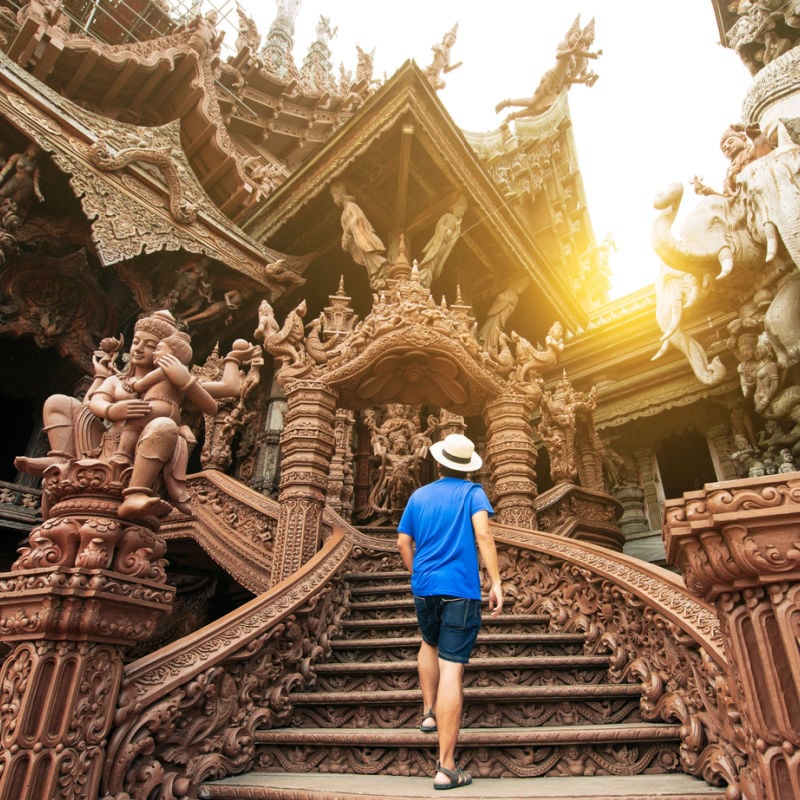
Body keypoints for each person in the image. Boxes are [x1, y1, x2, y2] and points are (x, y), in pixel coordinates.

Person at [396, 433, 503, 791]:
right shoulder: (472, 493)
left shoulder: (419, 495)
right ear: (467, 467)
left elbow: (402, 541)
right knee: (452, 670)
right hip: (459, 588)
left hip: (424, 587)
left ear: (438, 463)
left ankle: (428, 713)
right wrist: (496, 581)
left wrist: (416, 573)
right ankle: (446, 767)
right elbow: (484, 536)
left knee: (429, 641)